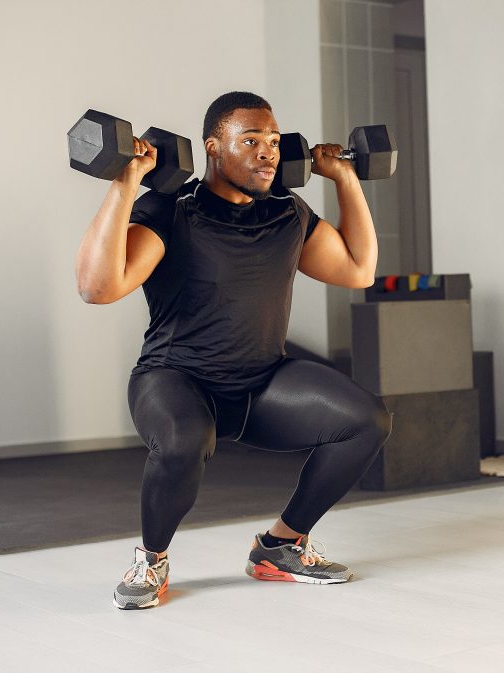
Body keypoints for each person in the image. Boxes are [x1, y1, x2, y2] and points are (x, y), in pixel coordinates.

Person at [75, 91, 392, 610]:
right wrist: (124, 182)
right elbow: (98, 287)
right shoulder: (171, 210)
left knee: (367, 418)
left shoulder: (289, 213)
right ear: (213, 147)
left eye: (272, 141)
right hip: (175, 379)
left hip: (262, 383)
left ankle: (281, 547)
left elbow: (358, 269)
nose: (267, 152)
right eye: (250, 141)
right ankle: (151, 559)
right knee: (183, 440)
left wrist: (346, 180)